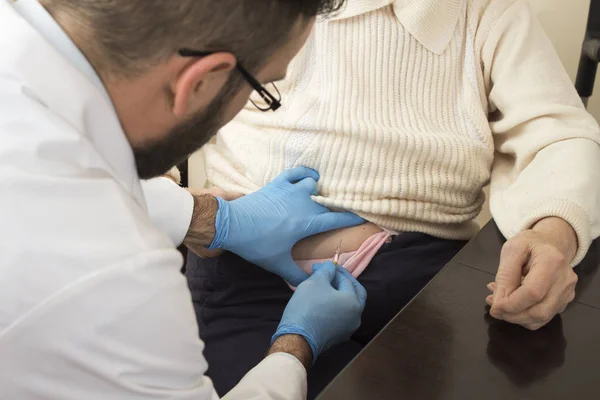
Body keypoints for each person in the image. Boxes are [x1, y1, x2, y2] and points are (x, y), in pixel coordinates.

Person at [150, 0, 600, 395]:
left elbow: (558, 135)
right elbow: (143, 115)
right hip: (247, 269)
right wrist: (188, 206)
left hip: (423, 277)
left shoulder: (483, 10)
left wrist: (553, 232)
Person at [0, 0, 373, 399]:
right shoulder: (117, 279)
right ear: (198, 81)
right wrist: (294, 348)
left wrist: (203, 215)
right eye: (262, 88)